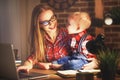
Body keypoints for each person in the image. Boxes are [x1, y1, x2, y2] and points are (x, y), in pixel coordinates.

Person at [17, 4, 98, 72]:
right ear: (38, 25)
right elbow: (33, 58)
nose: (51, 24)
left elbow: (88, 51)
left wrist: (95, 62)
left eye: (52, 18)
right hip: (51, 75)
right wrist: (27, 65)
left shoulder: (69, 34)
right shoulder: (41, 40)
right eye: (45, 22)